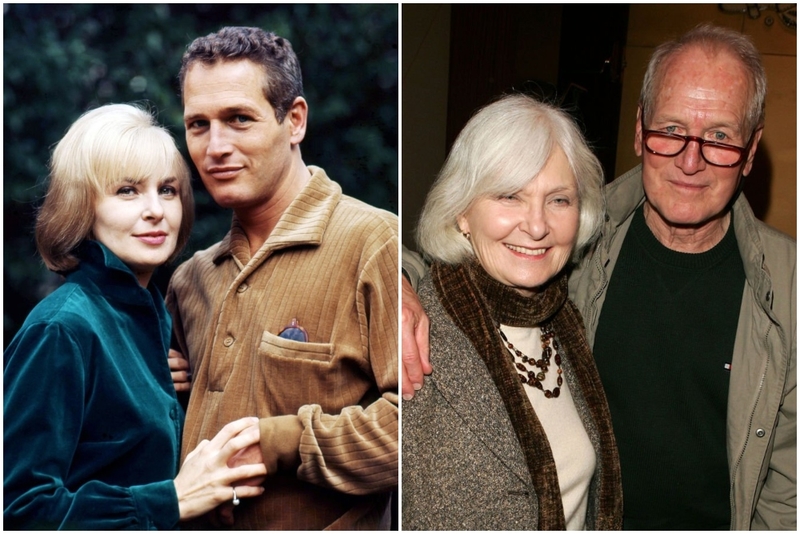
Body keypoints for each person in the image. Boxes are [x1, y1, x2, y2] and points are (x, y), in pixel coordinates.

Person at [402, 23, 796, 530]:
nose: (691, 160)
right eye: (671, 130)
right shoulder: (582, 242)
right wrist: (395, 279)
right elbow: (460, 260)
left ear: (751, 149)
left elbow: (788, 491)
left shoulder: (788, 287)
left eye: (719, 136)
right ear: (639, 130)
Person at [165, 27, 399, 529]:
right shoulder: (189, 279)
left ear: (294, 121)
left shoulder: (372, 241)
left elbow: (427, 430)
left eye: (239, 120)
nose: (215, 147)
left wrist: (286, 441)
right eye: (198, 125)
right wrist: (151, 390)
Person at [3, 104, 268, 530]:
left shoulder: (154, 317)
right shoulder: (62, 329)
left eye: (167, 190)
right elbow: (19, 512)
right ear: (82, 207)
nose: (155, 210)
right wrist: (173, 499)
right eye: (127, 191)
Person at [402, 94, 622, 530]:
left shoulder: (567, 323)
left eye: (559, 200)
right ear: (462, 211)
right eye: (509, 196)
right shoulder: (413, 337)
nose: (537, 225)